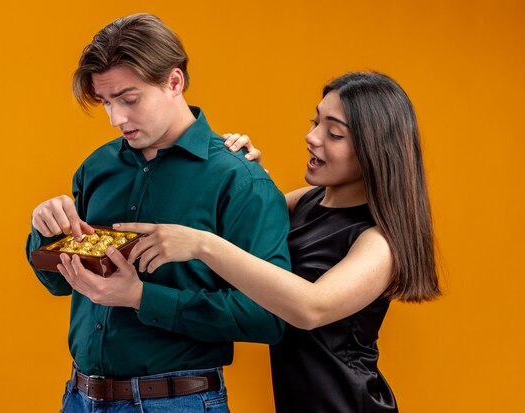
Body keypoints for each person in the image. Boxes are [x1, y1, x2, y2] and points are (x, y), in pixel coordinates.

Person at [116, 72, 441, 412]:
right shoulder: (305, 202)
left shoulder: (378, 241)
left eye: (334, 133)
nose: (312, 137)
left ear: (375, 150)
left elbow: (310, 308)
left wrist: (203, 245)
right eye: (315, 122)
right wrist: (245, 175)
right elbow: (249, 234)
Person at [25, 13, 291, 413]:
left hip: (178, 401)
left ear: (174, 81)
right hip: (79, 398)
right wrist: (45, 230)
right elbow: (58, 284)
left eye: (129, 100)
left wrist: (142, 297)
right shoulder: (96, 168)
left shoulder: (240, 182)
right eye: (107, 102)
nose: (117, 119)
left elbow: (269, 316)